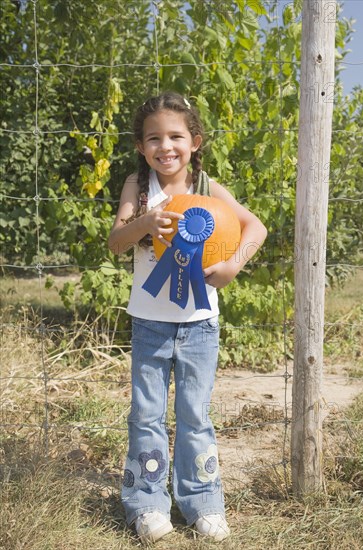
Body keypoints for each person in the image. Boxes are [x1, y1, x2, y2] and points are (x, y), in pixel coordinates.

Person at [108, 91, 267, 543]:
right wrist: (143, 223)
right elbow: (117, 242)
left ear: (194, 141)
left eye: (176, 136)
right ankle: (146, 503)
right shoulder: (137, 188)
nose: (166, 146)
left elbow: (256, 227)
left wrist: (234, 263)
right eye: (153, 138)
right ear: (141, 147)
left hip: (200, 326)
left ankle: (203, 501)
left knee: (195, 414)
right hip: (149, 324)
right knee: (146, 414)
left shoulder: (207, 188)